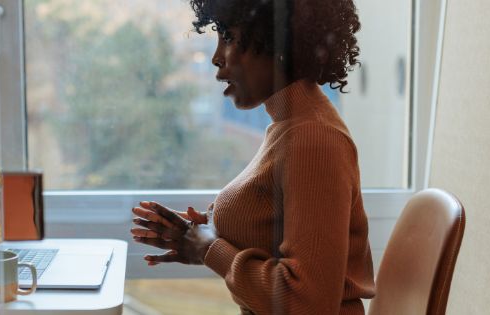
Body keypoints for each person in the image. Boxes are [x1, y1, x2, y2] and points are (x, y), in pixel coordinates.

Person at [130, 0, 375, 314]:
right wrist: (202, 232)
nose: (217, 57)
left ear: (278, 43)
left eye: (229, 38)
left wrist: (206, 247)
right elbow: (272, 226)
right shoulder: (291, 126)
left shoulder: (314, 140)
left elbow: (306, 302)